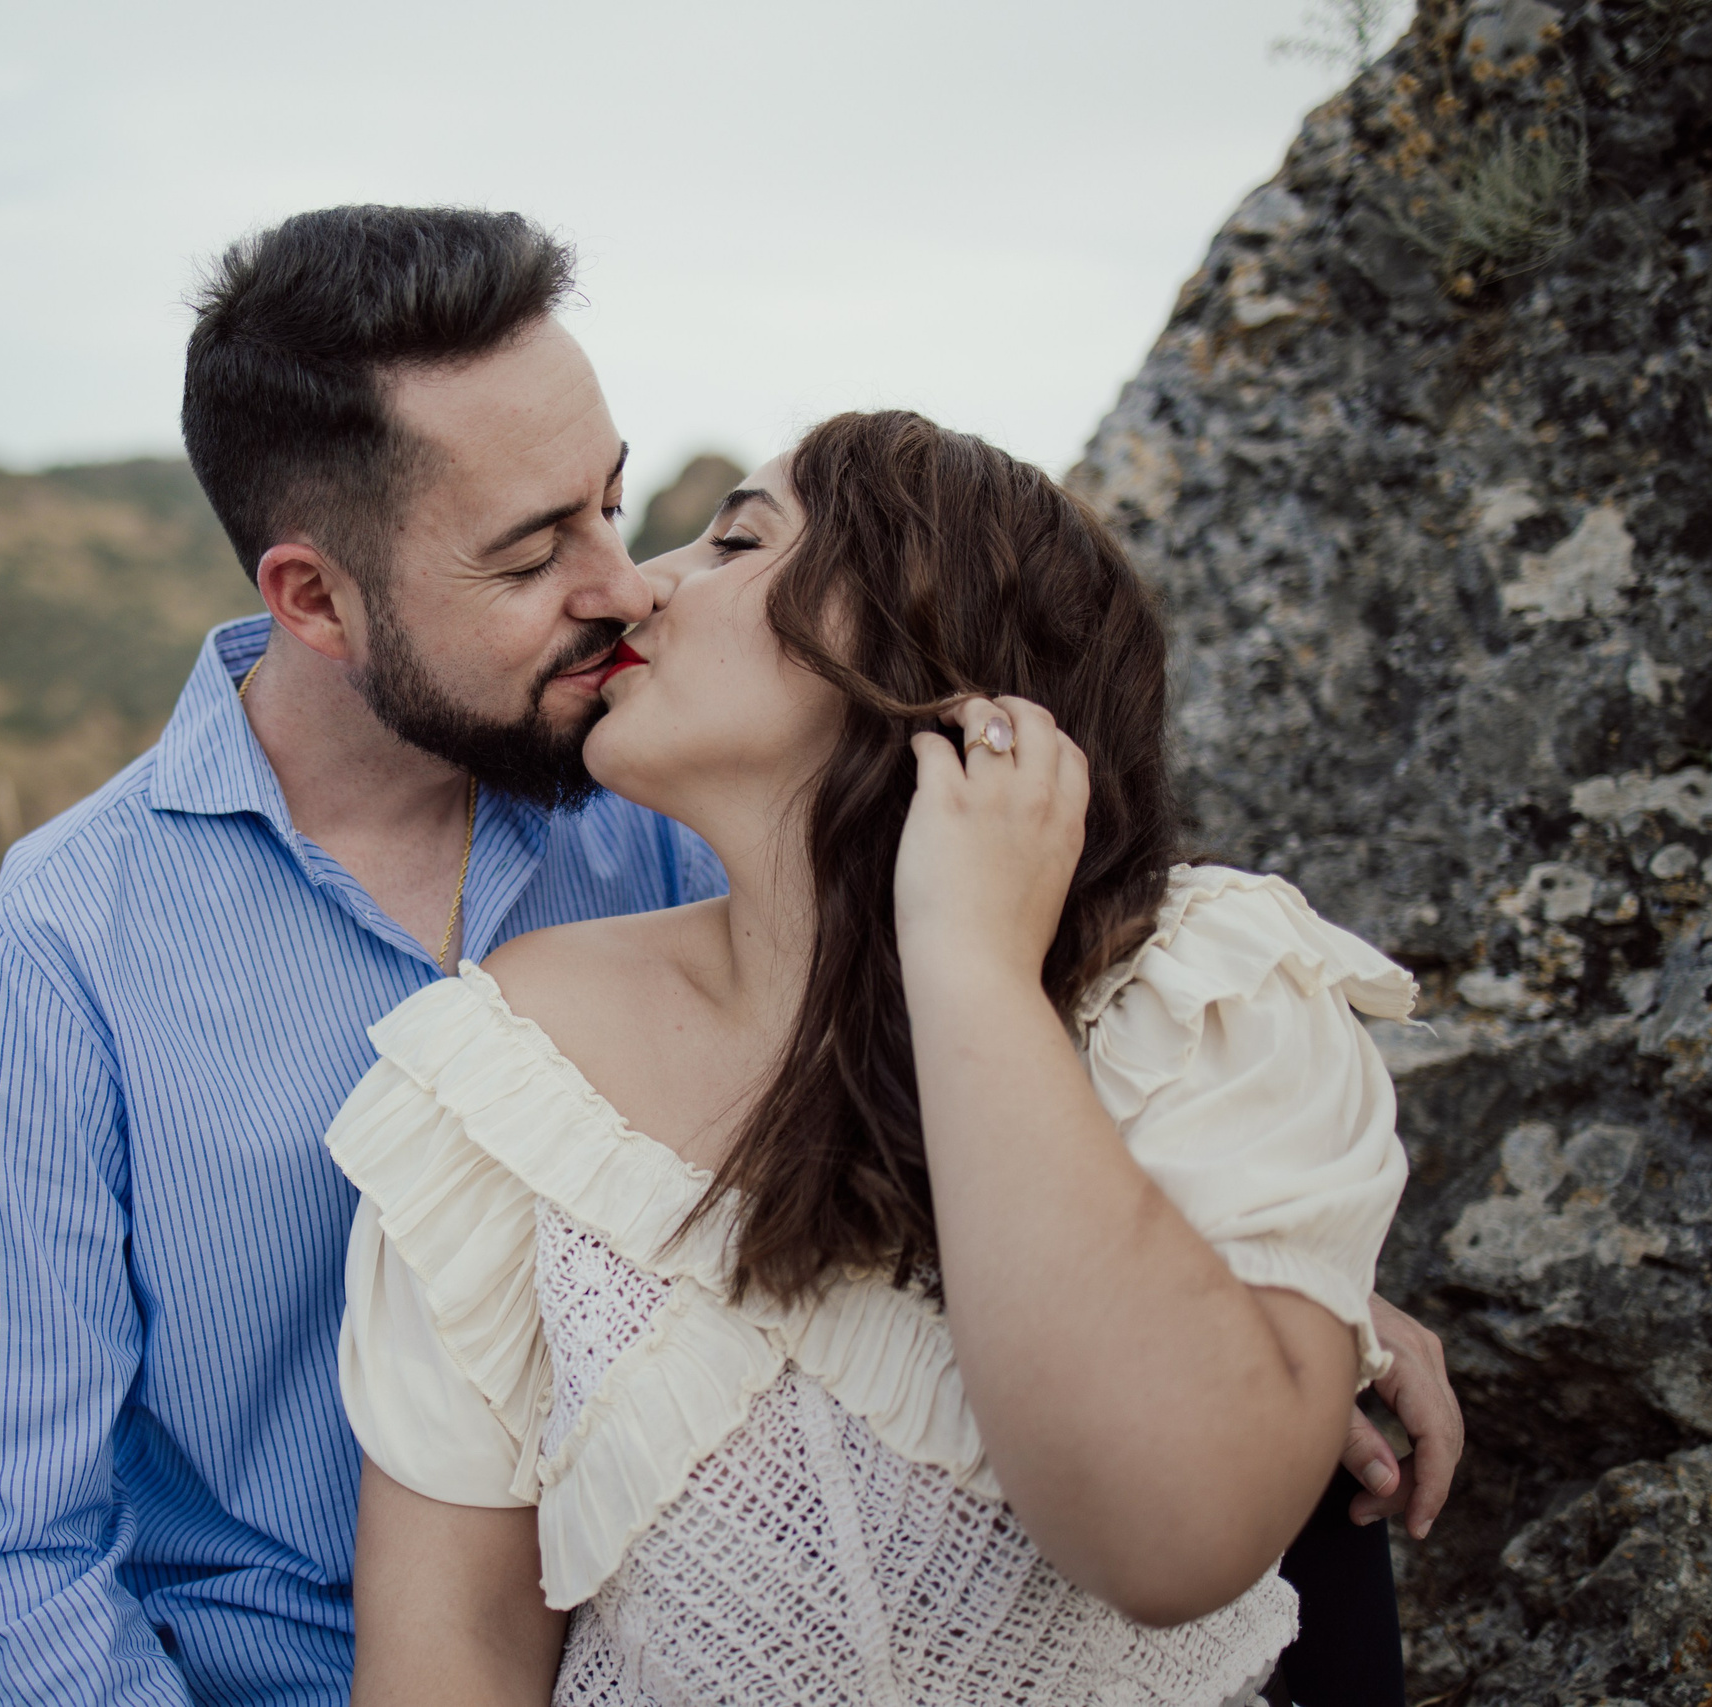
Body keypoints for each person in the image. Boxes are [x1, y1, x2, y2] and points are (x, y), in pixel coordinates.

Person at [0, 206, 1459, 1707]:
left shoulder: (648, 797)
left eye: (615, 504)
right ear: (314, 599)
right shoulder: (67, 945)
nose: (621, 584)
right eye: (529, 557)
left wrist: (1288, 1298)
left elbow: (935, 1025)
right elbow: (6, 1549)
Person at [330, 410, 1429, 1705]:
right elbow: (452, 1644)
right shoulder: (504, 1061)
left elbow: (1173, 1539)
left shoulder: (1206, 990)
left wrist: (970, 968)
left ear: (927, 633)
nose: (639, 585)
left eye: (738, 537)